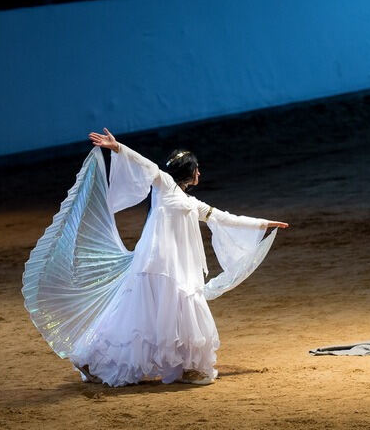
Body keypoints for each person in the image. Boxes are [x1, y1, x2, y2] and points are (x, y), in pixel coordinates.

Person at [22, 129, 288, 386]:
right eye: (197, 168)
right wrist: (119, 148)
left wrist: (263, 224)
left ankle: (184, 367)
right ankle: (103, 361)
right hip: (157, 264)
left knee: (152, 315)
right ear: (188, 172)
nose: (199, 172)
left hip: (176, 268)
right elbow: (146, 165)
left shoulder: (190, 202)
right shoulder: (165, 185)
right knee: (144, 315)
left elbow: (224, 217)